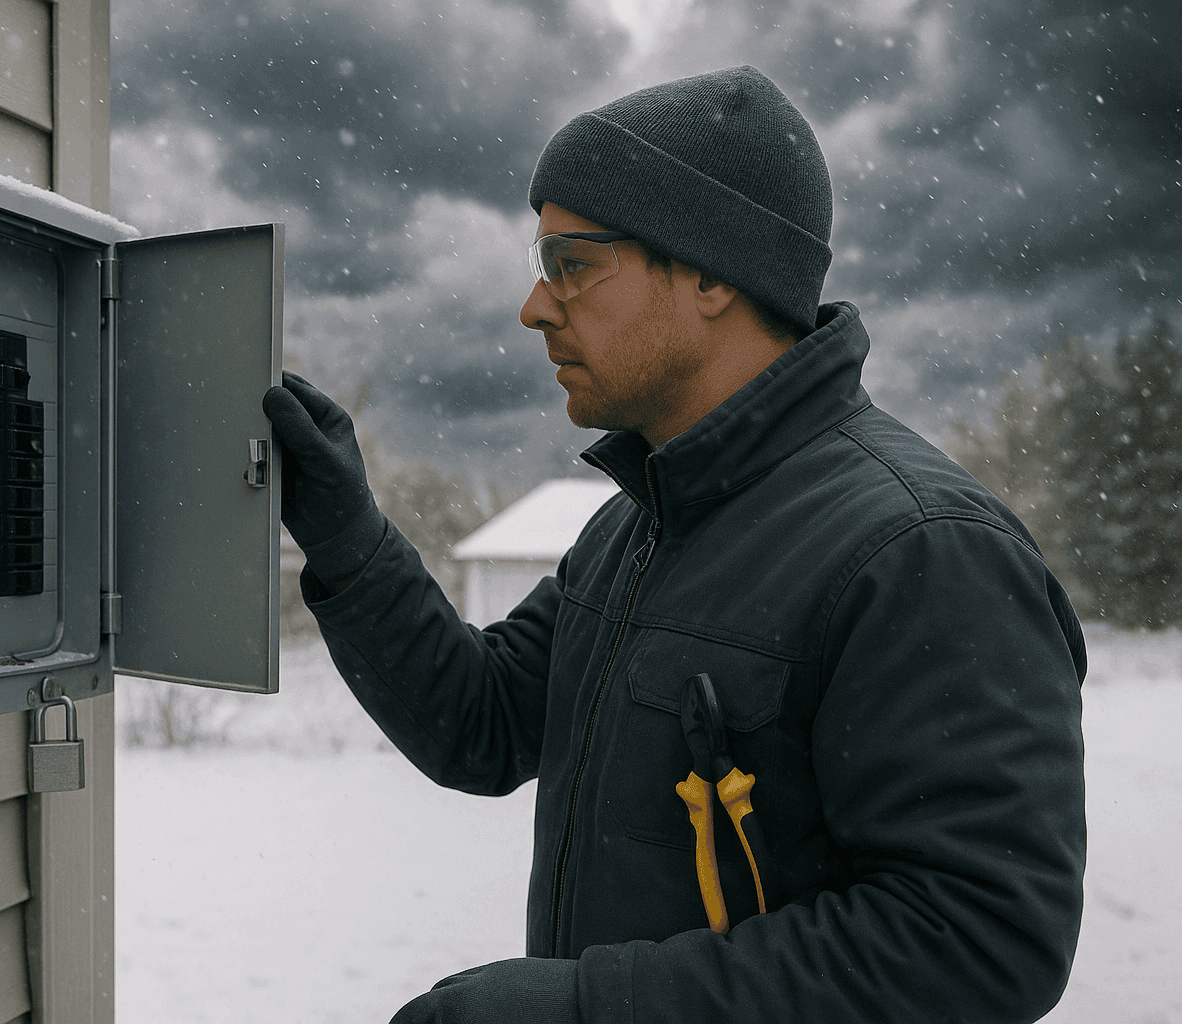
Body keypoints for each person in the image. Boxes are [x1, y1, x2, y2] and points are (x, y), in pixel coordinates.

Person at [262, 65, 1085, 1024]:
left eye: (572, 262)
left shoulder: (922, 550)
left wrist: (585, 1009)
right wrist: (345, 535)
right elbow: (478, 723)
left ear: (708, 270)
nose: (534, 306)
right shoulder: (636, 527)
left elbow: (979, 939)